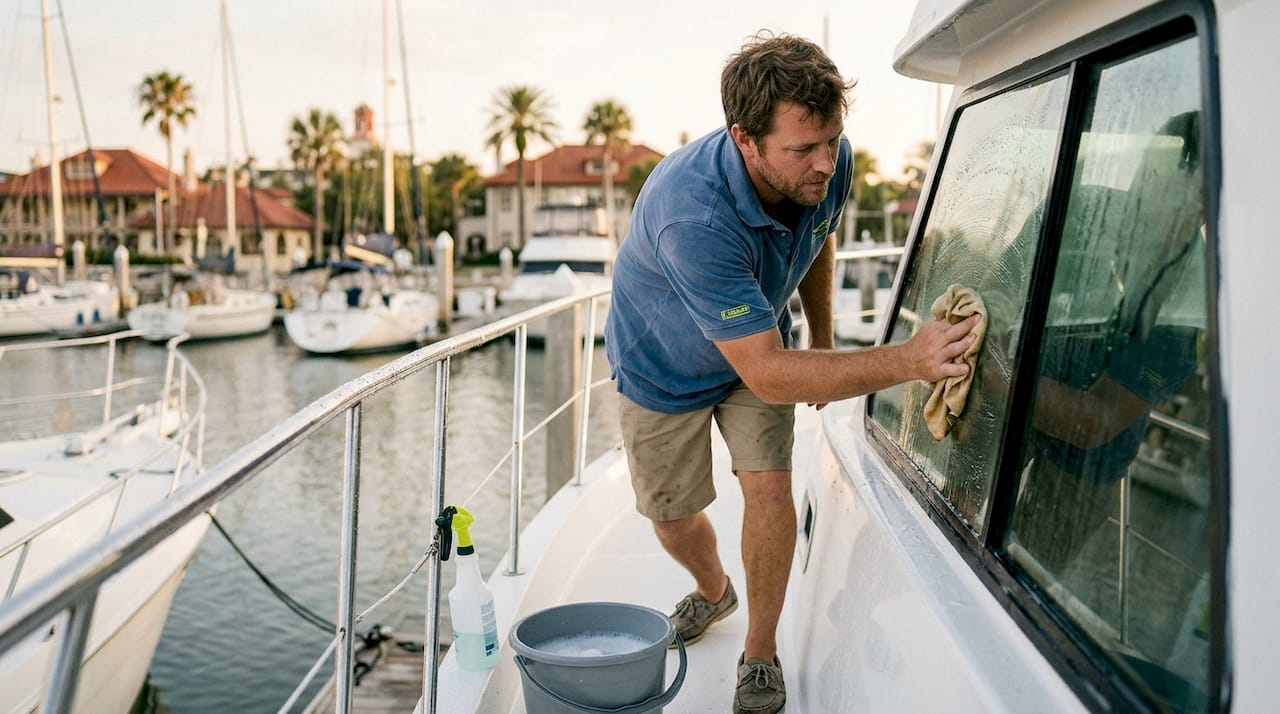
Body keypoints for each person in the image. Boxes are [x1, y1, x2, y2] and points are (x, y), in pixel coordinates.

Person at [604, 31, 979, 714]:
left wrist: (825, 339)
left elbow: (820, 231)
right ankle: (715, 590)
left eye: (832, 140)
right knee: (674, 518)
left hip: (760, 346)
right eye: (802, 149)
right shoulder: (691, 214)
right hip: (663, 368)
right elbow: (776, 376)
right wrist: (911, 360)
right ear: (745, 139)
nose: (825, 162)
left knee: (771, 491)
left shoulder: (825, 166)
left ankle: (760, 653)